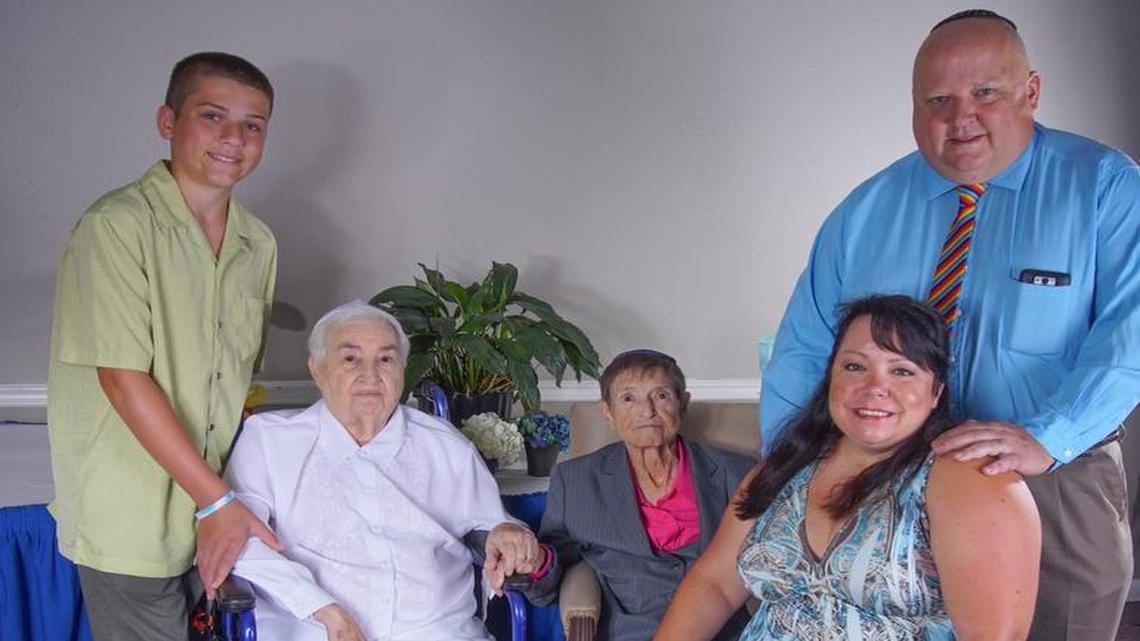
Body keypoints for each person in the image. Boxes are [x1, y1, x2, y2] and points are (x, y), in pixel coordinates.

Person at [759, 10, 1140, 640]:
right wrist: (790, 467)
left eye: (985, 92)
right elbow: (805, 346)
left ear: (1031, 91)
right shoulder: (864, 211)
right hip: (881, 478)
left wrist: (1049, 437)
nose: (961, 118)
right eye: (938, 100)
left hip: (1051, 475)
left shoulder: (1105, 186)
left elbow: (1131, 332)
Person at [46, 52, 279, 641]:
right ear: (167, 121)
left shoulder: (259, 243)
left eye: (252, 125)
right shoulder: (115, 226)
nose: (234, 138)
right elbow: (122, 378)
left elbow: (235, 385)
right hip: (131, 512)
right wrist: (214, 502)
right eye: (212, 116)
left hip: (215, 508)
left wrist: (225, 499)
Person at [654, 295, 1040, 640]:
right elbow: (715, 584)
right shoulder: (787, 465)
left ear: (936, 391)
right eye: (855, 366)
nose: (874, 388)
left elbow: (994, 636)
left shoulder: (970, 478)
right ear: (830, 378)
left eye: (902, 371)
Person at [226, 300, 542, 641]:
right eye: (351, 359)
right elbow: (235, 540)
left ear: (402, 370)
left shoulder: (446, 446)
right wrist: (322, 609)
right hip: (310, 631)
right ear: (317, 369)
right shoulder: (269, 441)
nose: (370, 374)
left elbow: (495, 526)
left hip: (436, 631)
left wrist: (507, 533)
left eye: (386, 359)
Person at [522, 349, 756, 641]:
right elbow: (553, 569)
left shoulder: (739, 474)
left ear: (683, 404)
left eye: (661, 396)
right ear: (607, 412)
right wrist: (536, 561)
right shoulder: (576, 481)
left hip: (725, 633)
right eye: (628, 399)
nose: (647, 411)